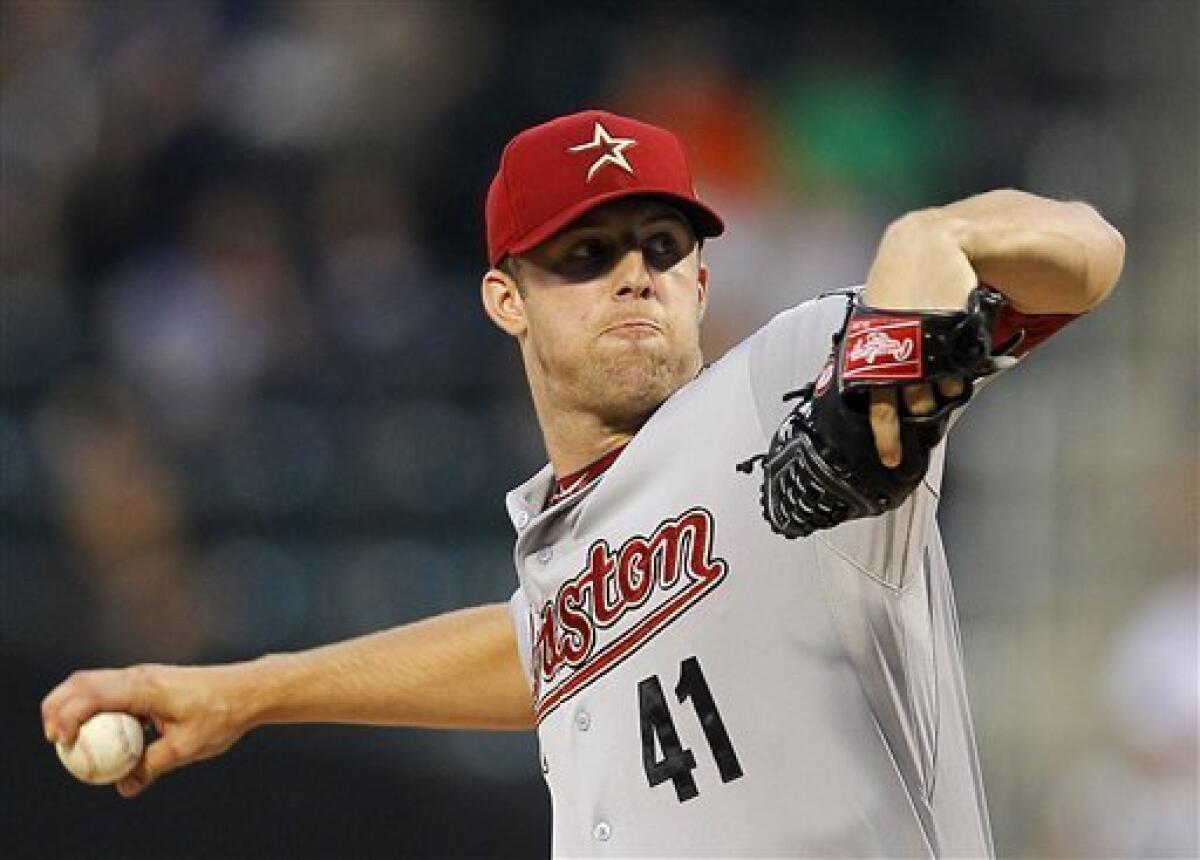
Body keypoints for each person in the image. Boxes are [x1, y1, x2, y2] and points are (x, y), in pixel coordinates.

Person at [42, 110, 1124, 857]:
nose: (632, 276)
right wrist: (246, 691)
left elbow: (1089, 252)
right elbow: (542, 648)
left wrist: (936, 238)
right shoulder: (570, 545)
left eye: (660, 245)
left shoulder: (785, 379)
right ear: (505, 299)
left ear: (701, 279)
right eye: (584, 254)